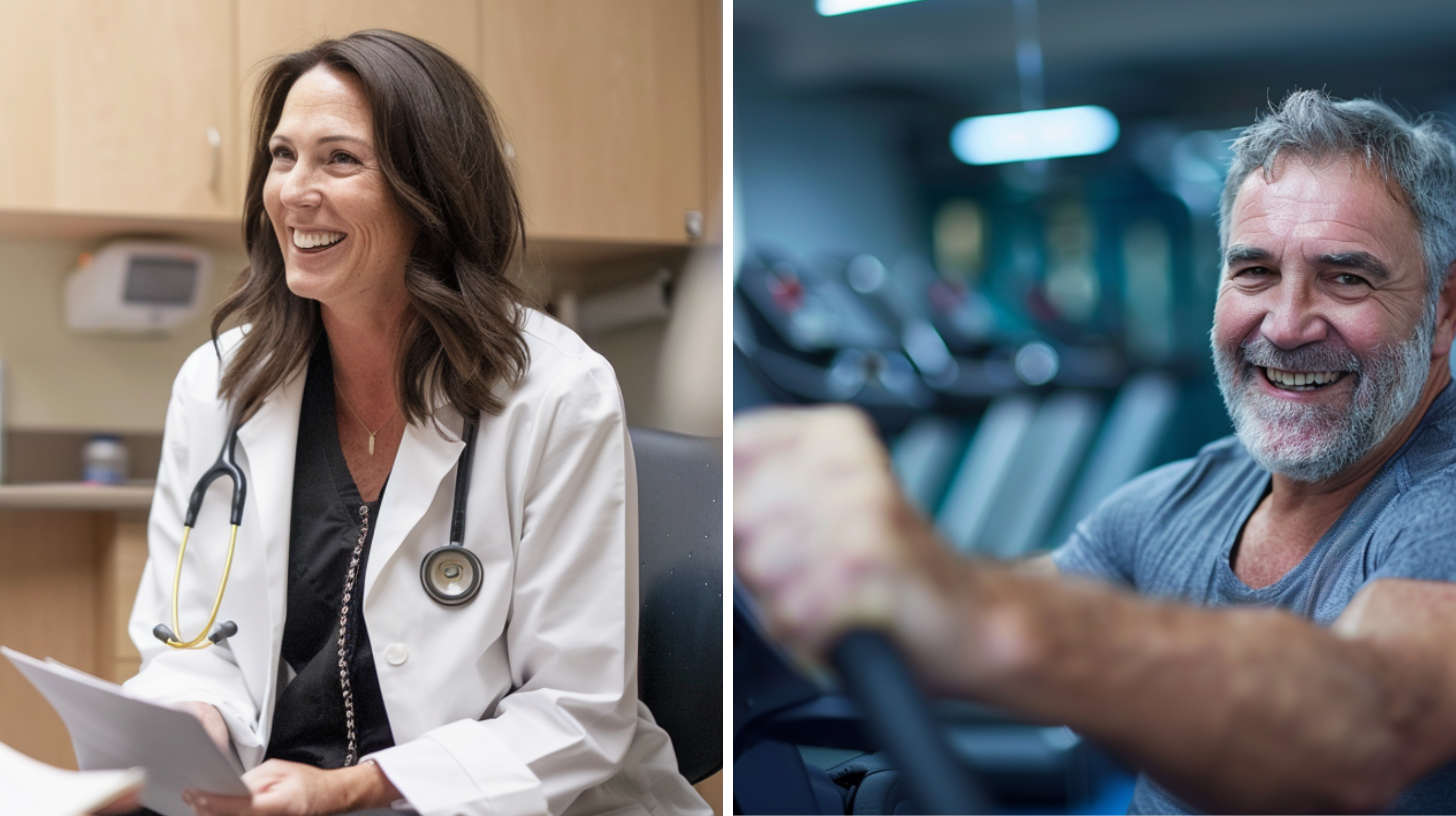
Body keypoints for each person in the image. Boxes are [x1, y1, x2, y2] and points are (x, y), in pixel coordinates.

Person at [735, 90, 1456, 815]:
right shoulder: (1176, 501)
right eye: (1255, 272)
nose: (1288, 322)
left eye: (1347, 277)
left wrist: (967, 611)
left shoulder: (1440, 509)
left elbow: (1365, 721)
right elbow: (1010, 599)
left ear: (1444, 309)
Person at [121, 30, 710, 816]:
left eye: (340, 159)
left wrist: (353, 788)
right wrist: (192, 721)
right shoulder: (223, 384)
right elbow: (187, 645)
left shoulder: (555, 393)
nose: (295, 191)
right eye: (282, 155)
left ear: (430, 191)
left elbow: (575, 711)